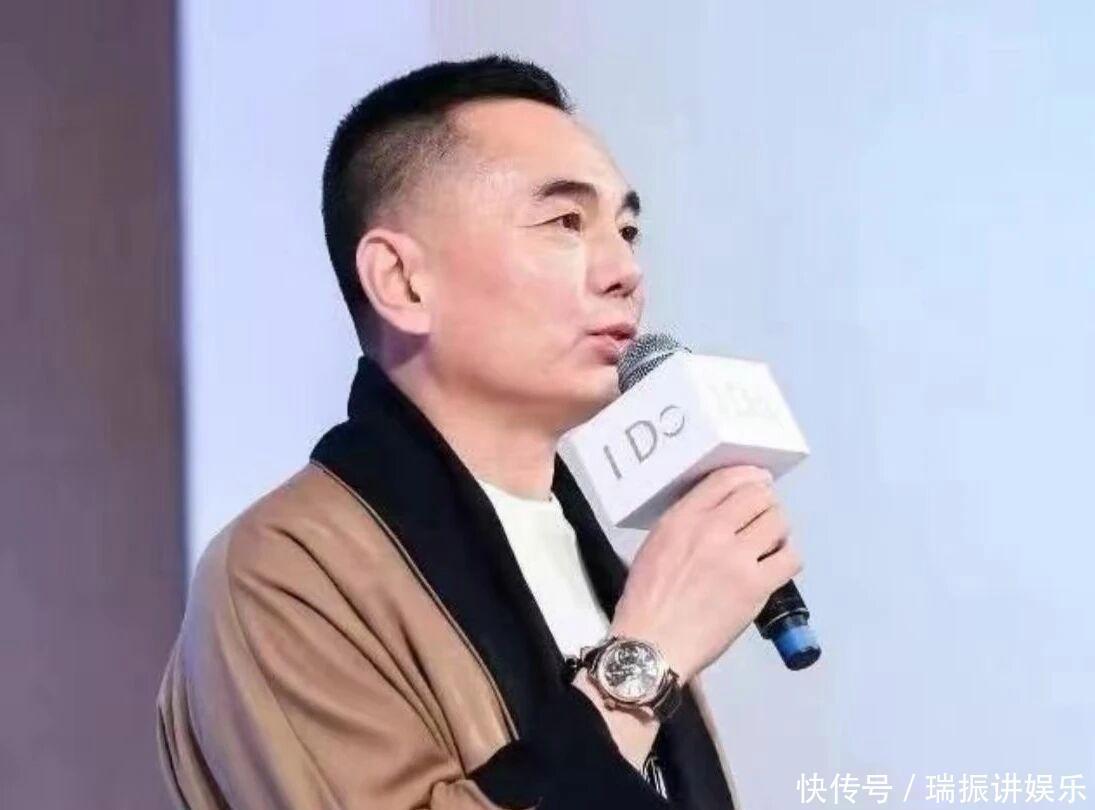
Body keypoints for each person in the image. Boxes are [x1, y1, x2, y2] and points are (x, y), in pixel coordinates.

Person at [155, 54, 802, 810]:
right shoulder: (281, 572)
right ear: (401, 281)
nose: (624, 269)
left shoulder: (594, 559)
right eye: (565, 222)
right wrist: (644, 661)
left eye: (627, 229)